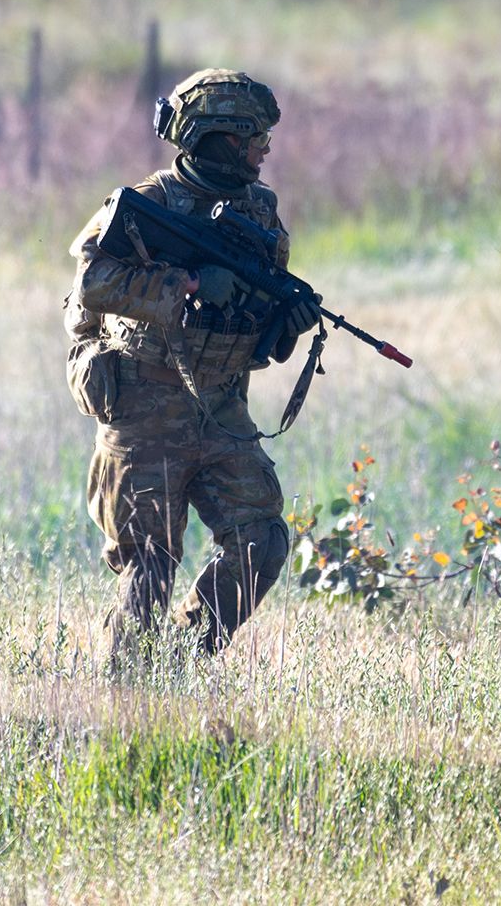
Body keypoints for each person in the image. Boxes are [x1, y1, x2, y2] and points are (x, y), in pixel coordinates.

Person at [65, 68, 319, 671]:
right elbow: (92, 283)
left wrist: (286, 317)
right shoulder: (144, 206)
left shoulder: (259, 209)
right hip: (144, 403)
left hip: (221, 406)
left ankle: (182, 658)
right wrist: (188, 282)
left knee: (261, 540)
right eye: (254, 135)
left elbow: (254, 320)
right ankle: (121, 697)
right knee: (149, 565)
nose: (265, 148)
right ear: (219, 138)